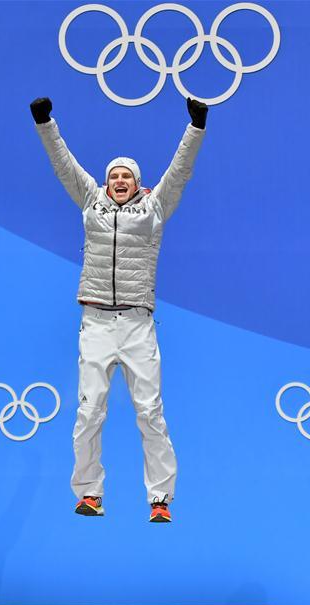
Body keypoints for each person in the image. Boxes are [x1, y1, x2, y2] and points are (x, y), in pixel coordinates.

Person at [30, 96, 207, 523]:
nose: (120, 179)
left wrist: (196, 127)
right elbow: (63, 163)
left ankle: (160, 499)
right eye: (114, 175)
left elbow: (180, 170)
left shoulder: (154, 208)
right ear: (106, 182)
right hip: (95, 323)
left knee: (150, 411)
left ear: (138, 182)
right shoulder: (91, 202)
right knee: (89, 411)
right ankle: (89, 493)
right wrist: (45, 122)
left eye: (127, 175)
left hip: (137, 324)